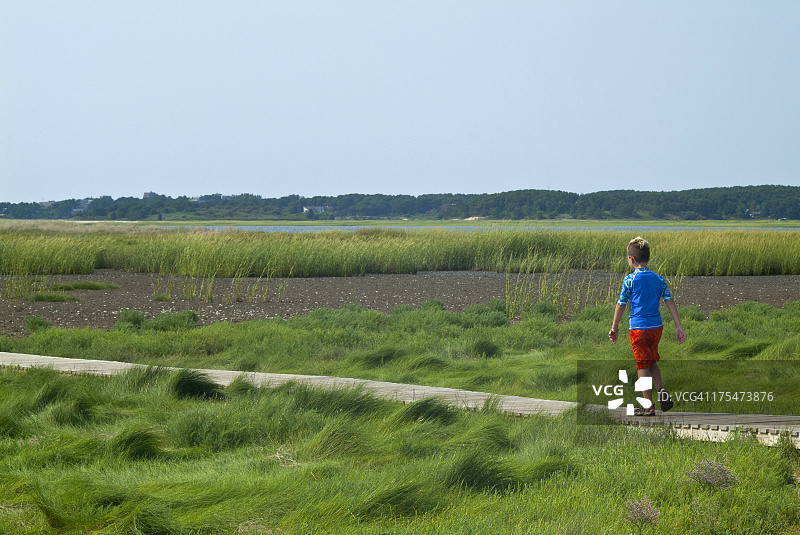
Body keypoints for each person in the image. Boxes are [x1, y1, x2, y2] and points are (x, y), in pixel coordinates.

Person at [608, 237, 686, 415]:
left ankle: (648, 406)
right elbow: (670, 302)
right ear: (648, 258)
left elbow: (620, 304)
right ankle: (660, 389)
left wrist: (615, 327)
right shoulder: (659, 279)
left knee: (642, 365)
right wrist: (678, 326)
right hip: (656, 327)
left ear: (631, 259)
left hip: (638, 329)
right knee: (652, 361)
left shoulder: (630, 280)